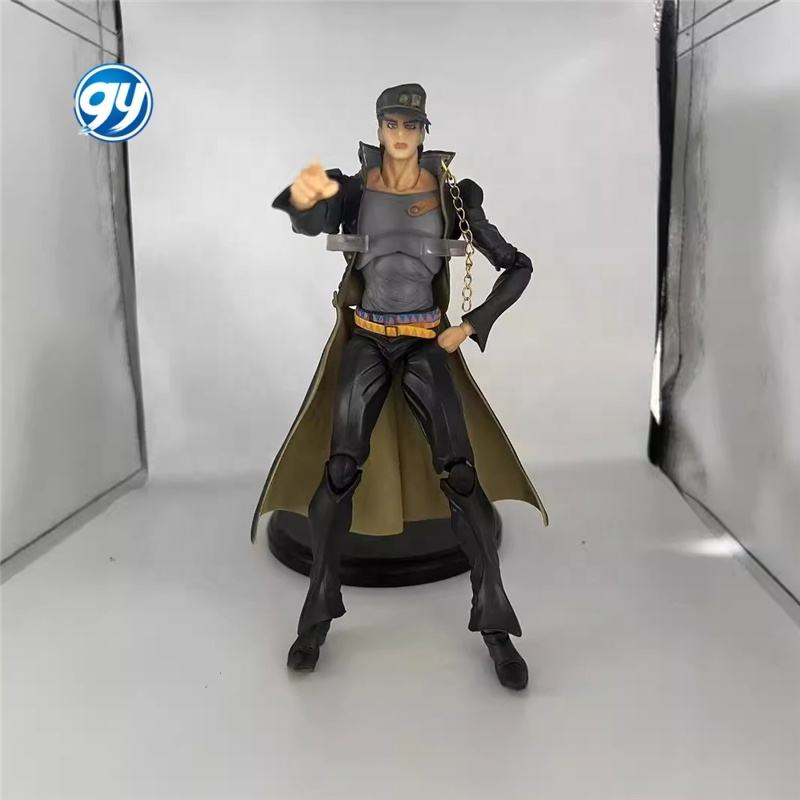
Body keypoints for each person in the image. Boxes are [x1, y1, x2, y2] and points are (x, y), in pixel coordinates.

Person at [253, 83, 549, 690]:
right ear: (380, 127)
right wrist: (306, 190)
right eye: (392, 124)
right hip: (366, 338)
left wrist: (471, 325)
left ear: (424, 130)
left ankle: (495, 625)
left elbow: (517, 266)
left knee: (461, 476)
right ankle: (316, 618)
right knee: (339, 472)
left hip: (424, 342)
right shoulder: (354, 190)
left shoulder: (453, 195)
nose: (401, 134)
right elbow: (303, 219)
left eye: (411, 125)